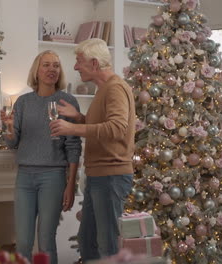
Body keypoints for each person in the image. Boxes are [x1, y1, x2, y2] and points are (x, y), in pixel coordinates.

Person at [49, 38, 136, 261]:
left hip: (110, 177)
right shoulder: (104, 89)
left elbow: (116, 128)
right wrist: (79, 117)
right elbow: (106, 127)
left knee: (107, 247)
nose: (76, 67)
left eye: (79, 61)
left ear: (95, 64)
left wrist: (74, 127)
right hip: (99, 176)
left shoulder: (115, 88)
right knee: (88, 243)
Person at [1, 50, 82, 264]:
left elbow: (74, 146)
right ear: (36, 71)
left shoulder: (67, 101)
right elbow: (12, 142)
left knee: (46, 241)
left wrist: (70, 184)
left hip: (53, 177)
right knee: (23, 242)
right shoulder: (23, 103)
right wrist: (8, 128)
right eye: (46, 65)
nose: (51, 69)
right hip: (25, 176)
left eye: (56, 65)